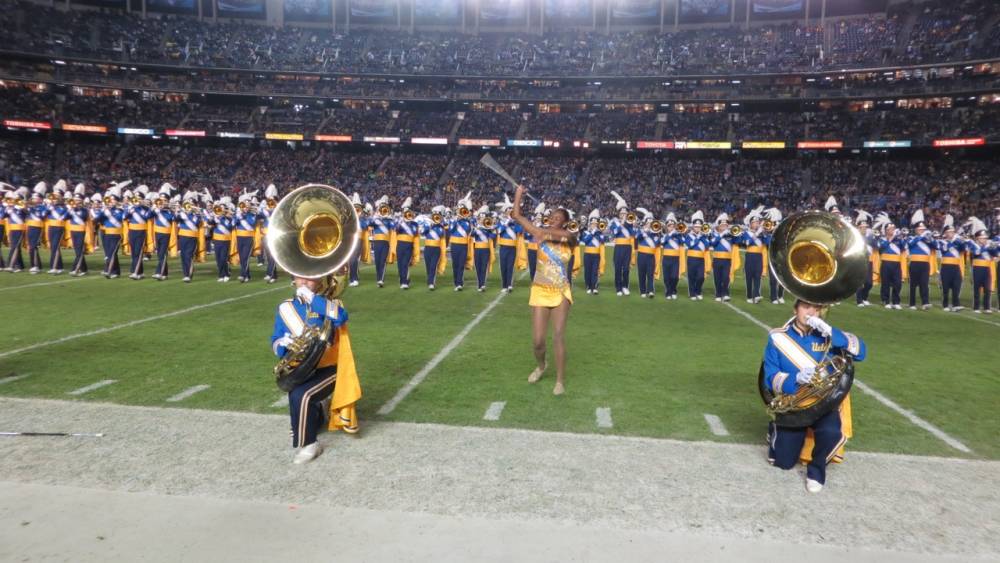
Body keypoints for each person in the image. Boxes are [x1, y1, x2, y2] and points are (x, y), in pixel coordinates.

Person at [762, 299, 866, 493]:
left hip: (823, 406)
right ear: (795, 309)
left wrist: (831, 332)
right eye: (805, 307)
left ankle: (816, 469)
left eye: (816, 308)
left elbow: (861, 352)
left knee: (831, 433)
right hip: (794, 405)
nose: (810, 312)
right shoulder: (778, 338)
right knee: (783, 462)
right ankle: (775, 427)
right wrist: (796, 378)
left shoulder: (829, 335)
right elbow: (769, 378)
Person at [270, 273, 361, 464]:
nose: (303, 281)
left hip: (332, 367)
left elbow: (341, 318)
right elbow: (275, 339)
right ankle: (316, 415)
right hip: (304, 367)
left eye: (309, 277)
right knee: (294, 389)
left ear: (320, 280)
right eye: (298, 277)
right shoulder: (285, 307)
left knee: (302, 395)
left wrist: (314, 299)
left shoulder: (330, 303)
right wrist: (283, 344)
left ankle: (309, 444)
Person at [510, 185, 576, 396]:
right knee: (538, 341)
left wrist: (541, 232)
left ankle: (559, 381)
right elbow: (517, 215)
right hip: (540, 290)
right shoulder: (541, 232)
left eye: (558, 217)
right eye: (552, 216)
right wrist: (519, 194)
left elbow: (566, 235)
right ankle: (541, 366)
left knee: (558, 336)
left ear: (565, 220)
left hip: (560, 291)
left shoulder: (570, 237)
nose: (553, 218)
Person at [735, 208, 766, 304]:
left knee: (757, 276)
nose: (757, 224)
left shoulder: (761, 233)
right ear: (750, 224)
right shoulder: (746, 233)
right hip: (750, 256)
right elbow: (748, 243)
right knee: (749, 277)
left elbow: (767, 242)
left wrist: (765, 233)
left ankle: (756, 295)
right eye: (754, 222)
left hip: (759, 256)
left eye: (757, 222)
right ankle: (749, 295)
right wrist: (757, 233)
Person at [905, 210, 935, 310]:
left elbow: (936, 246)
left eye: (923, 230)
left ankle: (925, 302)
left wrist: (931, 239)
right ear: (916, 230)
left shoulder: (927, 239)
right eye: (920, 230)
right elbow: (910, 244)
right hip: (914, 263)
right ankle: (912, 303)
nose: (922, 231)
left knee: (924, 283)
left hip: (925, 264)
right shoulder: (911, 238)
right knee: (913, 285)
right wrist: (921, 236)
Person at [608, 191, 635, 296]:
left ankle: (625, 286)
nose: (624, 215)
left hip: (627, 247)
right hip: (618, 247)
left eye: (625, 213)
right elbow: (614, 233)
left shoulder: (630, 223)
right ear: (619, 214)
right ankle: (618, 288)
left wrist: (630, 223)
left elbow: (632, 234)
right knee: (618, 268)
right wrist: (621, 224)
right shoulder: (614, 222)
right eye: (622, 213)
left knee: (626, 268)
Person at [874, 213, 904, 309]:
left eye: (893, 229)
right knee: (885, 283)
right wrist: (890, 238)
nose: (892, 231)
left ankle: (896, 301)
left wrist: (901, 237)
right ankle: (886, 300)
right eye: (890, 229)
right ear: (886, 230)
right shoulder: (882, 239)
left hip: (896, 264)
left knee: (897, 283)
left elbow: (903, 248)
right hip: (886, 263)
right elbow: (882, 247)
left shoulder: (898, 240)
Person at [936, 215, 964, 312]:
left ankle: (956, 304)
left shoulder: (958, 242)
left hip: (956, 266)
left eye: (952, 232)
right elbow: (944, 250)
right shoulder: (942, 242)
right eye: (949, 232)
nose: (951, 234)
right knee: (946, 287)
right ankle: (945, 305)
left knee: (957, 285)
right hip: (946, 266)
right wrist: (954, 241)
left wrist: (962, 241)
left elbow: (963, 249)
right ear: (946, 233)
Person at [392, 198, 420, 290]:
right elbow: (395, 229)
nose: (408, 214)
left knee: (405, 263)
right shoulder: (399, 222)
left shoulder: (414, 224)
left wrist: (409, 222)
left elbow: (414, 232)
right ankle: (402, 280)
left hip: (409, 245)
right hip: (400, 245)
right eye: (406, 212)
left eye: (409, 212)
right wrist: (400, 221)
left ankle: (405, 282)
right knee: (400, 264)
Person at [66, 184, 92, 277]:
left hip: (81, 232)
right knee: (78, 251)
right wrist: (70, 210)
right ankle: (84, 269)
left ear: (81, 201)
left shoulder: (84, 210)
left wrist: (77, 209)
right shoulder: (72, 209)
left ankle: (75, 269)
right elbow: (65, 218)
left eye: (78, 200)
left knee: (79, 251)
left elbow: (85, 218)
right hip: (73, 231)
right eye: (75, 200)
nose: (76, 202)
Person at [634, 209, 659, 299]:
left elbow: (657, 243)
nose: (649, 224)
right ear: (645, 222)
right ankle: (643, 291)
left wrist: (652, 232)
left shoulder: (655, 233)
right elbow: (636, 237)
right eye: (648, 222)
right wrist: (644, 231)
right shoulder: (641, 231)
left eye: (651, 222)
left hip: (650, 256)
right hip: (641, 255)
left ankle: (651, 290)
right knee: (641, 274)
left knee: (650, 274)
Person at [421, 207, 448, 290]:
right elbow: (422, 232)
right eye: (435, 215)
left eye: (438, 216)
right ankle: (430, 280)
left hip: (436, 249)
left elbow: (442, 233)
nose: (436, 217)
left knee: (433, 266)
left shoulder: (441, 228)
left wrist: (437, 224)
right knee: (428, 266)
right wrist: (429, 225)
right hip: (427, 248)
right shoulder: (427, 225)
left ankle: (431, 282)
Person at [580, 209, 605, 295]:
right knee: (588, 271)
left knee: (595, 271)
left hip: (596, 254)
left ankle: (594, 287)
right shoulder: (586, 232)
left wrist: (600, 232)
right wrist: (592, 233)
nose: (594, 225)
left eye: (595, 223)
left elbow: (603, 241)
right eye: (592, 223)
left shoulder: (599, 233)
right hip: (587, 254)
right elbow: (585, 241)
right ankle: (588, 286)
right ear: (590, 224)